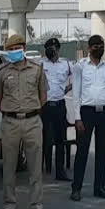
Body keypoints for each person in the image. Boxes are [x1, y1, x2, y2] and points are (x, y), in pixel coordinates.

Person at [0, 34, 49, 209]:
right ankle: (9, 206)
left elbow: (43, 95)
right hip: (10, 122)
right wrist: (11, 112)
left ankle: (37, 207)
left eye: (16, 48)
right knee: (9, 166)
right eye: (10, 49)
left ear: (24, 48)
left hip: (33, 121)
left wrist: (31, 110)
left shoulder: (37, 69)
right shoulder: (1, 71)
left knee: (35, 167)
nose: (13, 52)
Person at [70, 35, 105, 202]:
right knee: (82, 151)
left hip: (104, 113)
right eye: (96, 46)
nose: (99, 48)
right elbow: (76, 93)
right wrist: (77, 117)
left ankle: (99, 187)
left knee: (102, 152)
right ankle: (76, 189)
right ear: (89, 48)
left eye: (101, 45)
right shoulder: (80, 67)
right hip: (86, 113)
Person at [41, 37, 73, 181]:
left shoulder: (66, 64)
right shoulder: (40, 64)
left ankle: (60, 171)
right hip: (45, 106)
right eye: (48, 49)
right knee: (44, 138)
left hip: (60, 104)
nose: (51, 52)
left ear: (58, 50)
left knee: (61, 139)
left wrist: (65, 89)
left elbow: (74, 78)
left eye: (53, 49)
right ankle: (44, 168)